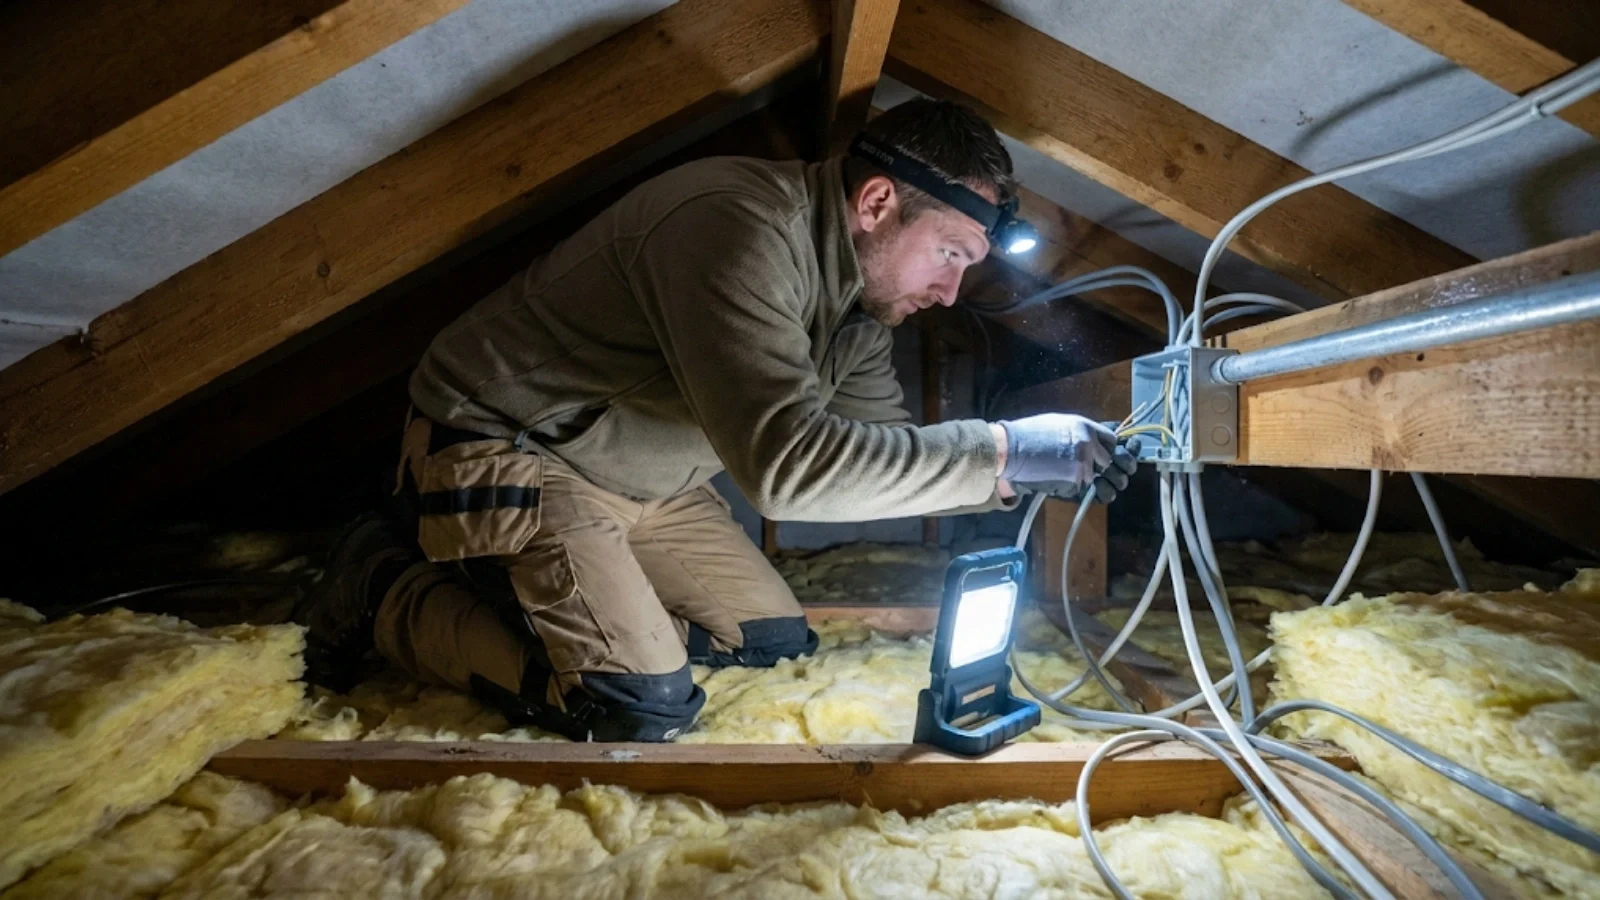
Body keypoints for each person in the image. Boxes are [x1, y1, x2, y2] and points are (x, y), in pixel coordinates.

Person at [295, 99, 1138, 742]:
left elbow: (886, 461)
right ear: (877, 202)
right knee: (635, 703)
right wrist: (1001, 447)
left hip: (647, 483)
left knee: (768, 641)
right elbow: (786, 473)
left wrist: (1019, 473)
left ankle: (578, 603)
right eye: (950, 253)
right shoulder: (735, 225)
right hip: (514, 452)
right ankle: (381, 589)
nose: (952, 292)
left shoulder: (860, 311)